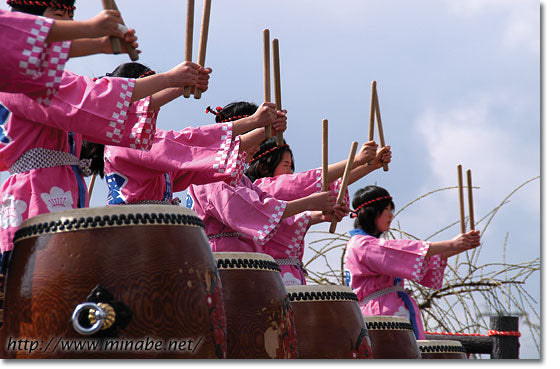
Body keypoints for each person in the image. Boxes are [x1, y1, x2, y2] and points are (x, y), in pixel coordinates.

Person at [0, 2, 209, 273]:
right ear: (29, 25)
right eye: (59, 18)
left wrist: (175, 85)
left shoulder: (40, 82)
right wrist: (169, 80)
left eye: (70, 18)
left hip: (59, 187)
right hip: (37, 192)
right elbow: (94, 97)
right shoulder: (22, 85)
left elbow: (105, 101)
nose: (66, 26)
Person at [88, 63, 285, 205]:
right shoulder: (125, 145)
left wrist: (261, 132)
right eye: (153, 90)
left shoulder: (145, 147)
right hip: (136, 234)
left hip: (150, 233)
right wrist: (253, 123)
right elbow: (189, 143)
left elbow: (196, 167)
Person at [240, 110, 391, 285]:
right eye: (285, 164)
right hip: (272, 275)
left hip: (291, 273)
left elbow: (330, 183)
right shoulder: (263, 188)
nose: (290, 171)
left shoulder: (276, 200)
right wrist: (357, 160)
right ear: (264, 167)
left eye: (291, 166)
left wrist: (371, 165)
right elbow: (309, 181)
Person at [343, 185, 481, 339]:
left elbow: (421, 258)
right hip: (379, 315)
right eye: (386, 210)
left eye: (391, 210)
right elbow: (404, 251)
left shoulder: (366, 244)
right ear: (371, 212)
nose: (391, 215)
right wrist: (451, 244)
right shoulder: (361, 245)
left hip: (388, 312)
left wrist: (461, 246)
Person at [1, 1, 140, 102]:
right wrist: (90, 29)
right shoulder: (21, 88)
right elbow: (89, 104)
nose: (69, 23)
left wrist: (102, 45)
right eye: (59, 14)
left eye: (71, 17)